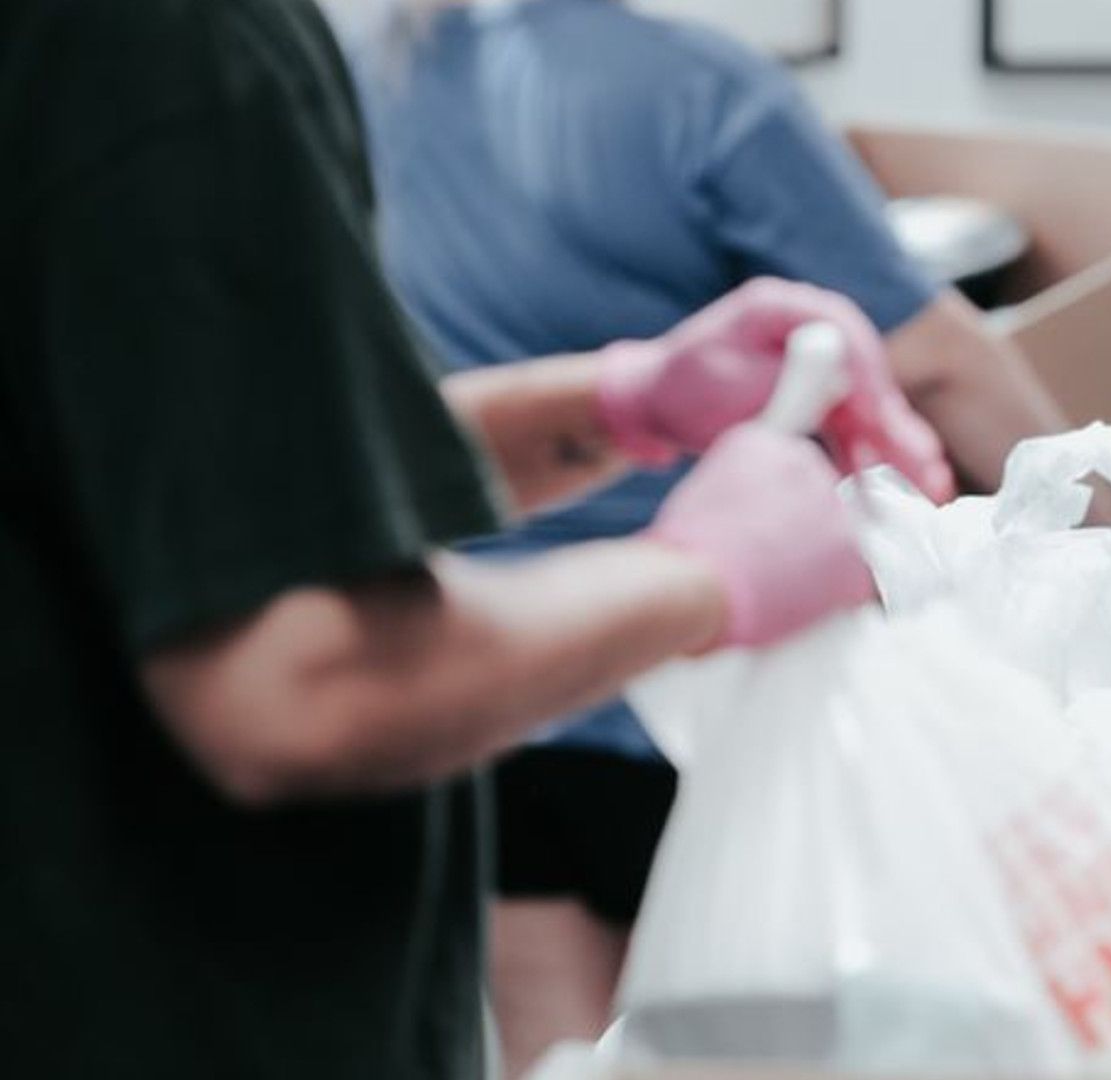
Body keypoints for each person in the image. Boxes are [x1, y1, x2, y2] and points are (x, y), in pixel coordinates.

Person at [2, 0, 940, 1074]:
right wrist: (705, 574)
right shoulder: (170, 41)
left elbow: (220, 470)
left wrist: (618, 405)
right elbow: (303, 681)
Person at [329, 1, 1075, 1067]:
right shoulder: (699, 90)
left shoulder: (360, 85)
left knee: (558, 1053)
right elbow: (934, 356)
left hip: (485, 680)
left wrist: (629, 397)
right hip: (687, 691)